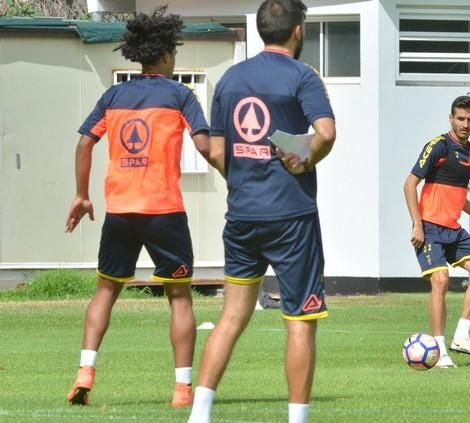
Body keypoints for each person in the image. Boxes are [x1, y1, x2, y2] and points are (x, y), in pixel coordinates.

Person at [187, 1, 336, 422]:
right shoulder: (303, 77)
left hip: (242, 216)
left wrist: (245, 172)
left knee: (231, 316)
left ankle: (199, 414)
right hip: (291, 218)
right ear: (298, 31)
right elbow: (326, 134)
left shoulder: (231, 79)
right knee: (301, 320)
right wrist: (302, 155)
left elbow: (216, 150)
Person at [65, 7, 214, 407]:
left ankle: (86, 369)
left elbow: (84, 142)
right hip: (163, 210)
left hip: (120, 209)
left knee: (105, 290)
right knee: (179, 296)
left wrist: (82, 195)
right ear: (166, 54)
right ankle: (182, 389)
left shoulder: (114, 95)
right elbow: (203, 145)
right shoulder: (181, 94)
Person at [403, 95, 470, 369]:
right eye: (460, 118)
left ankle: (461, 336)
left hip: (453, 229)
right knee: (441, 281)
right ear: (451, 118)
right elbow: (410, 184)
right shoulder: (438, 146)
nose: (465, 124)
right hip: (430, 229)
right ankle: (438, 350)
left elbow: (458, 194)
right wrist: (417, 223)